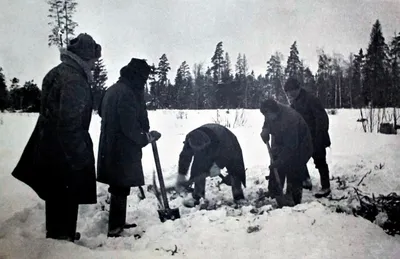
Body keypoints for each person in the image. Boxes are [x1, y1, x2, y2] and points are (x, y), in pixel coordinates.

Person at [11, 33, 102, 242]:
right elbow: (69, 123)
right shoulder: (76, 81)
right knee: (67, 195)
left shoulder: (57, 73)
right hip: (65, 153)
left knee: (56, 196)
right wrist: (80, 156)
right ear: (85, 58)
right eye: (93, 61)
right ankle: (63, 239)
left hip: (49, 148)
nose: (94, 65)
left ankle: (57, 234)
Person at [96, 58, 161, 238]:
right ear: (137, 76)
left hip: (111, 146)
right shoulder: (127, 93)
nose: (145, 81)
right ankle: (114, 227)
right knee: (119, 186)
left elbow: (102, 112)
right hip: (122, 149)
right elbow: (129, 125)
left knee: (119, 185)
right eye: (144, 77)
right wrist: (145, 138)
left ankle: (117, 222)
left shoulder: (113, 89)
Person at [175, 123, 246, 208]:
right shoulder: (191, 138)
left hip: (227, 142)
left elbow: (227, 155)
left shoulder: (225, 140)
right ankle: (198, 195)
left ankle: (238, 195)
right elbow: (185, 156)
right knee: (198, 168)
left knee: (235, 168)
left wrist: (217, 165)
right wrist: (181, 174)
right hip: (208, 144)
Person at [260, 98, 313, 207]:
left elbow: (291, 147)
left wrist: (280, 161)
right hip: (283, 142)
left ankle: (294, 197)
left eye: (267, 114)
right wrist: (265, 130)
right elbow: (267, 121)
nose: (266, 117)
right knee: (276, 162)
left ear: (274, 112)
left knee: (293, 167)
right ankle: (274, 191)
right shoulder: (270, 113)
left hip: (301, 146)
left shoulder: (290, 119)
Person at [284, 77, 332, 198]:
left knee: (320, 161)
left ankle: (326, 187)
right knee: (298, 158)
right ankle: (306, 180)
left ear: (298, 88)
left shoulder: (310, 99)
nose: (289, 94)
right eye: (288, 92)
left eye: (291, 91)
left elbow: (322, 118)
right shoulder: (295, 102)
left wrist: (319, 136)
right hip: (303, 138)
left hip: (316, 136)